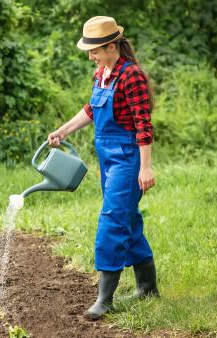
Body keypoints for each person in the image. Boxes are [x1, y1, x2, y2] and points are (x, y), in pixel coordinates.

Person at [47, 16, 159, 321]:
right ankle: (148, 288)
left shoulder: (130, 75)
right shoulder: (102, 73)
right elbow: (91, 110)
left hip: (128, 158)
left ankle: (104, 298)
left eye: (94, 49)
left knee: (111, 220)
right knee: (127, 218)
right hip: (108, 160)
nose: (90, 55)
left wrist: (145, 168)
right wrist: (63, 130)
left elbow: (143, 124)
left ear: (112, 46)